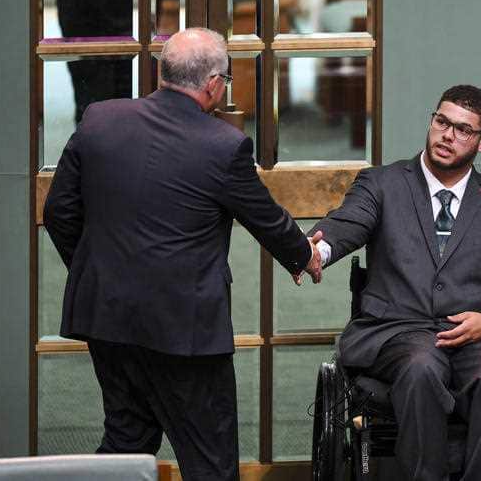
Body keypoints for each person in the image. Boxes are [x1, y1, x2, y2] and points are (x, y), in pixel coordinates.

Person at [43, 27, 322, 481]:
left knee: (125, 441)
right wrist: (304, 256)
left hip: (107, 316)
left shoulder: (99, 119)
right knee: (209, 458)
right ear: (214, 85)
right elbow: (265, 218)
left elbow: (58, 211)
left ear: (161, 71)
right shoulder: (223, 145)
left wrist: (97, 268)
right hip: (185, 329)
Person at [309, 85, 481, 481]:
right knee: (422, 364)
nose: (447, 135)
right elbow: (347, 223)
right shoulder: (382, 184)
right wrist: (320, 249)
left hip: (478, 340)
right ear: (431, 121)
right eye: (441, 122)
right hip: (398, 332)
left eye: (462, 129)